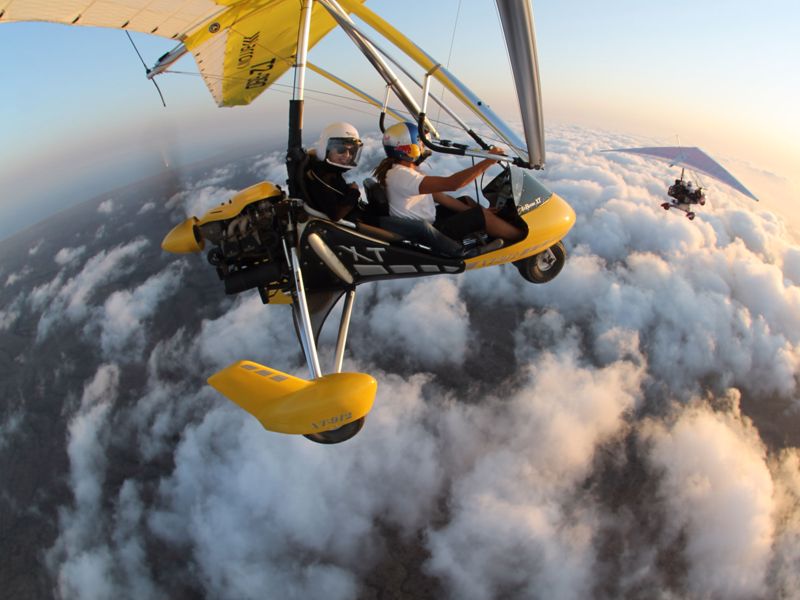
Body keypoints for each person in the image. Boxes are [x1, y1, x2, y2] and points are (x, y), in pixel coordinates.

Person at [372, 122, 523, 256]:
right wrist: (488, 162)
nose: (424, 147)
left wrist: (472, 210)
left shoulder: (401, 172)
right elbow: (453, 184)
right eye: (421, 143)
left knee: (467, 202)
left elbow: (441, 197)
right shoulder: (402, 176)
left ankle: (496, 227)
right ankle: (521, 238)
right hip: (429, 235)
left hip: (428, 222)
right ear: (407, 148)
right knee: (480, 216)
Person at [304, 122, 363, 221]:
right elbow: (336, 214)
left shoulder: (330, 171)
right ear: (325, 149)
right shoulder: (321, 177)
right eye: (341, 149)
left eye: (352, 151)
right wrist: (354, 192)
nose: (347, 155)